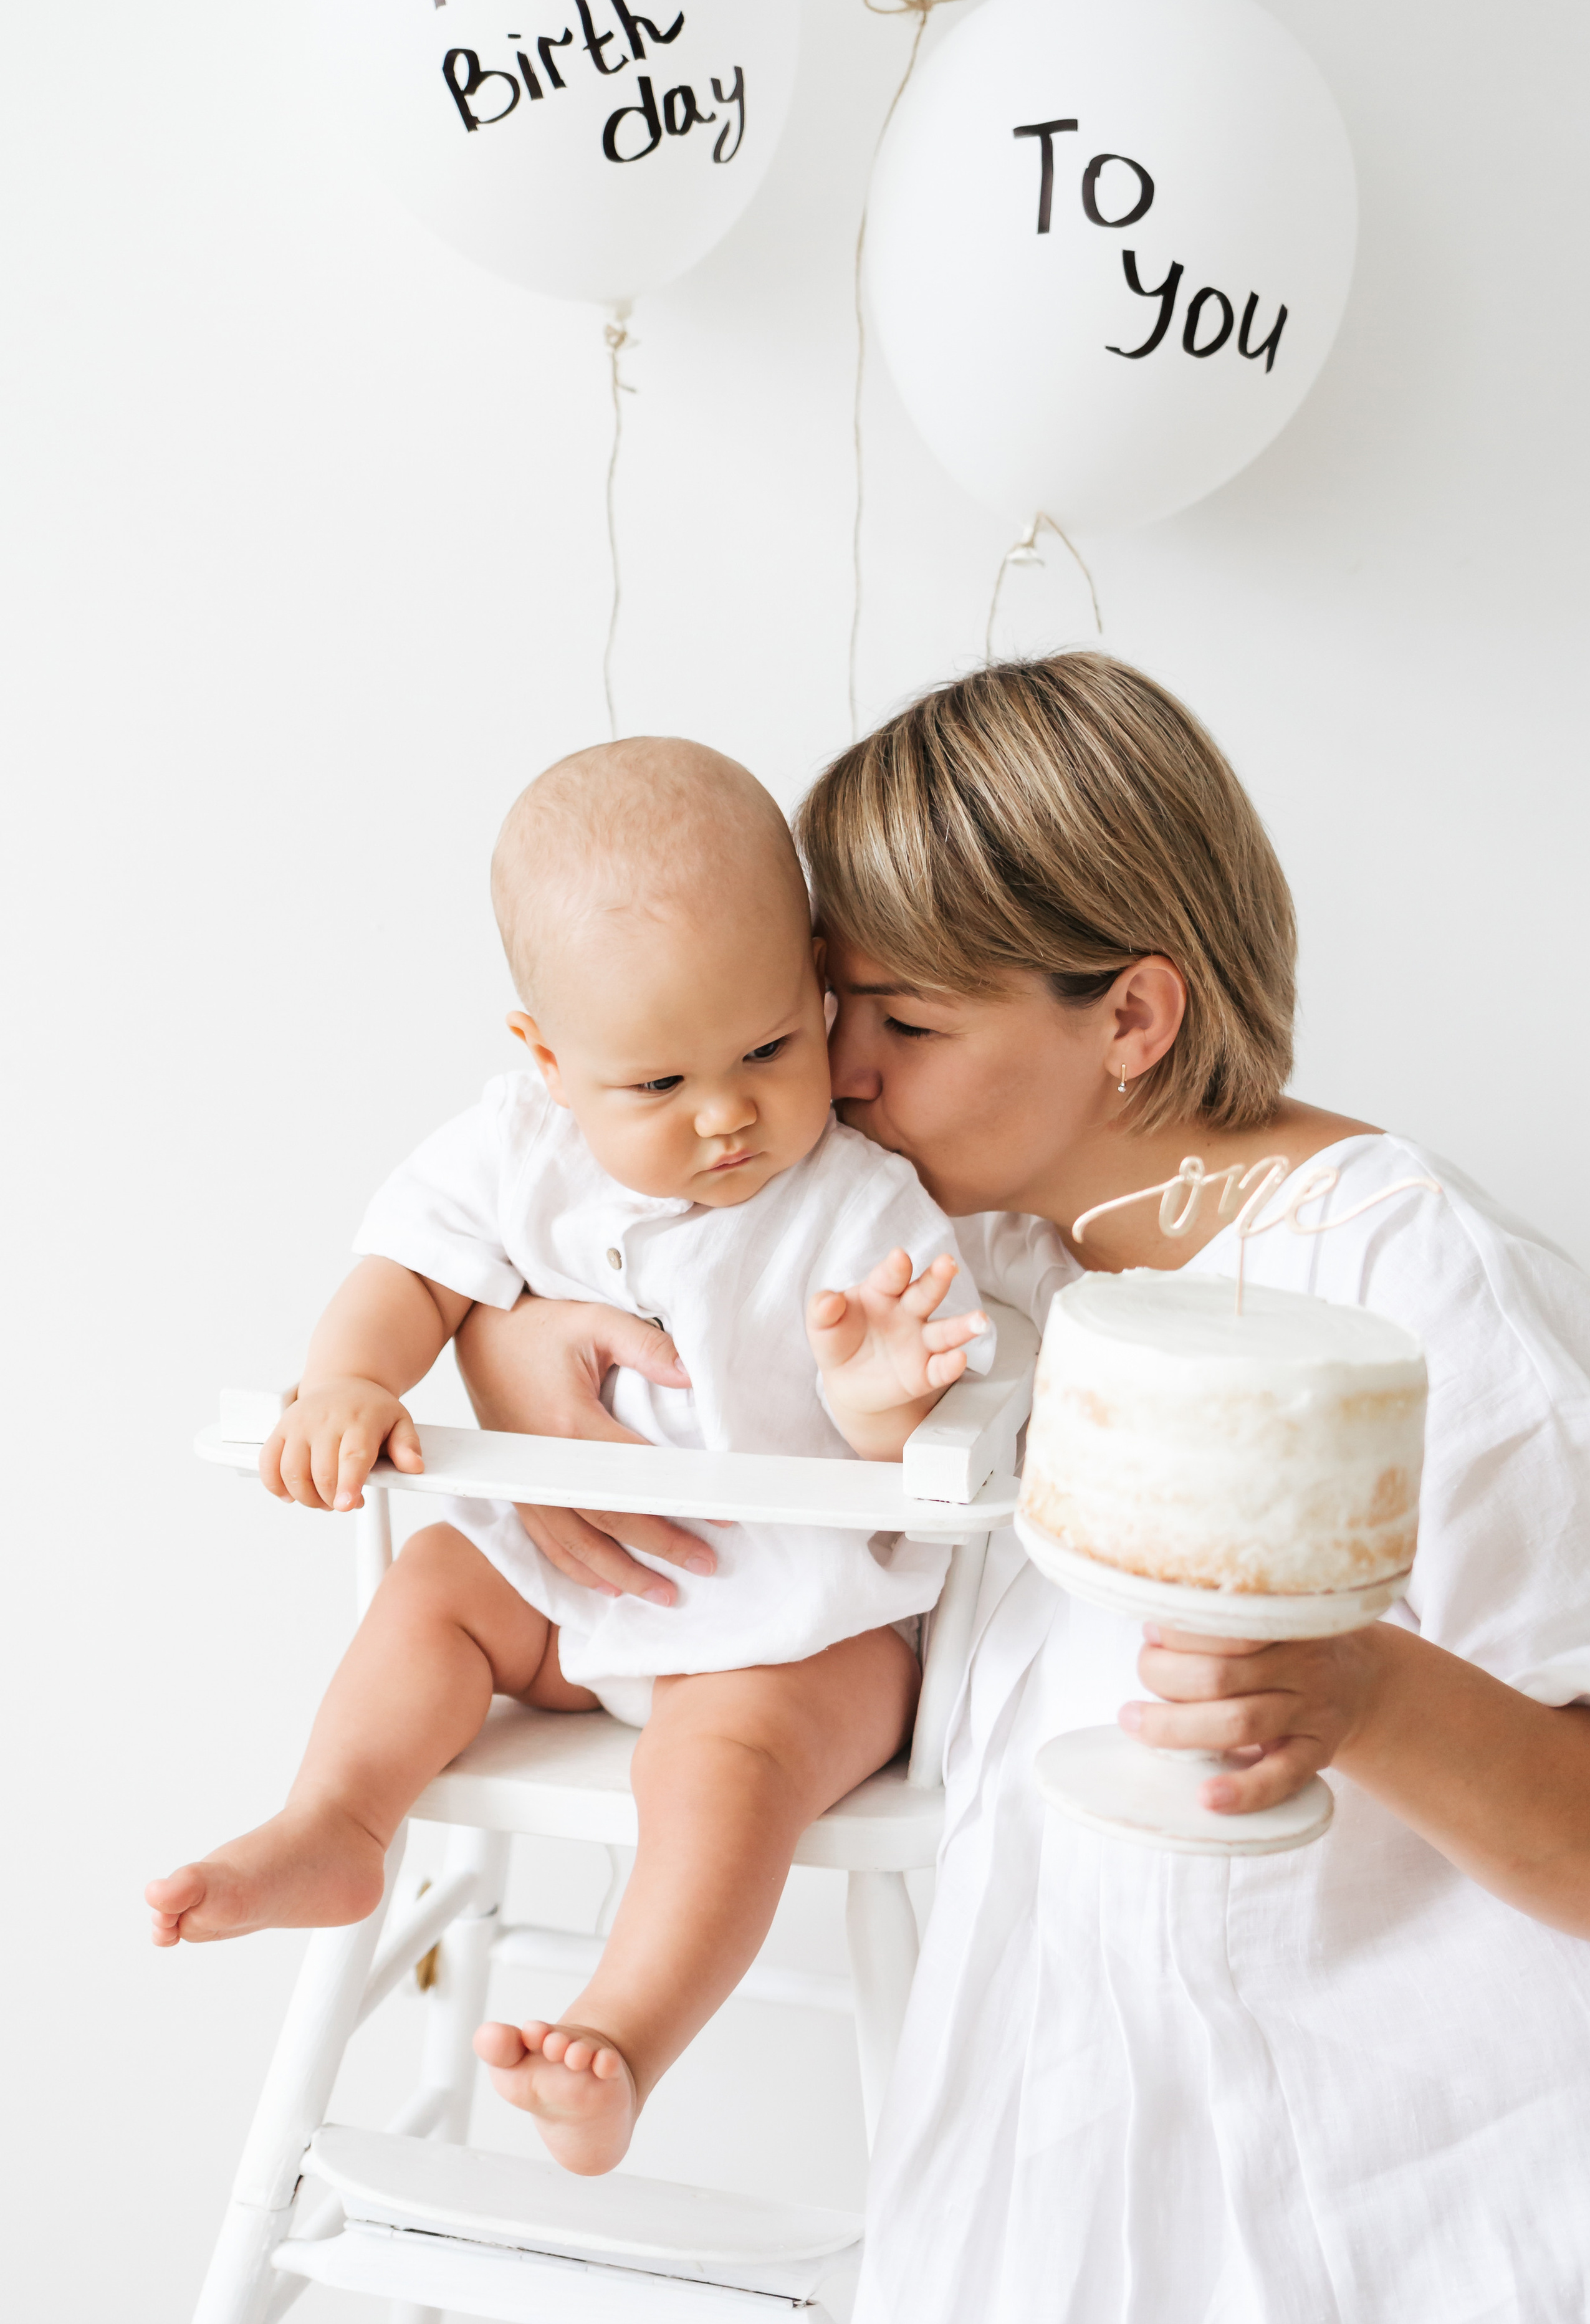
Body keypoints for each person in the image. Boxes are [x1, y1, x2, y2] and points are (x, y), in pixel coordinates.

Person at [461, 656, 1590, 2317]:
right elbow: (581, 1181)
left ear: (1132, 1016)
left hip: (1400, 2210)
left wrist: (1365, 1687)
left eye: (905, 1023)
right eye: (834, 1009)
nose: (839, 1071)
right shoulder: (992, 1272)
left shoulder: (1407, 1282)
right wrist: (509, 1337)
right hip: (1071, 2188)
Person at [144, 735, 1002, 2179]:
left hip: (799, 1624)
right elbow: (406, 1267)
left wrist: (877, 1401)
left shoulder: (864, 1204)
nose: (724, 1113)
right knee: (432, 1580)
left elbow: (911, 1432)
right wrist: (351, 1377)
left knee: (722, 1761)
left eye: (769, 1050)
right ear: (546, 1057)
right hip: (568, 1593)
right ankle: (335, 1817)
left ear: (813, 984)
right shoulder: (515, 1147)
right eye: (657, 1079)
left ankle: (624, 2028)